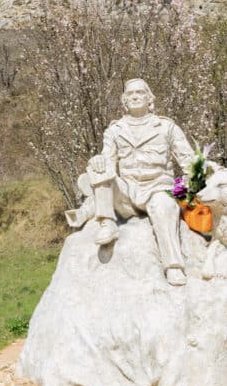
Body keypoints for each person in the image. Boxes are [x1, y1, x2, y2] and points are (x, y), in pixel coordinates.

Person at [83, 79, 195, 286]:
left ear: (149, 99)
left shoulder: (167, 127)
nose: (135, 96)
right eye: (130, 93)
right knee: (98, 166)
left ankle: (173, 266)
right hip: (127, 192)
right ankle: (107, 223)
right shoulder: (115, 130)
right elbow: (108, 158)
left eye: (140, 92)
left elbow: (189, 162)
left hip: (158, 188)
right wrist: (98, 160)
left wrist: (188, 185)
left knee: (163, 207)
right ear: (124, 100)